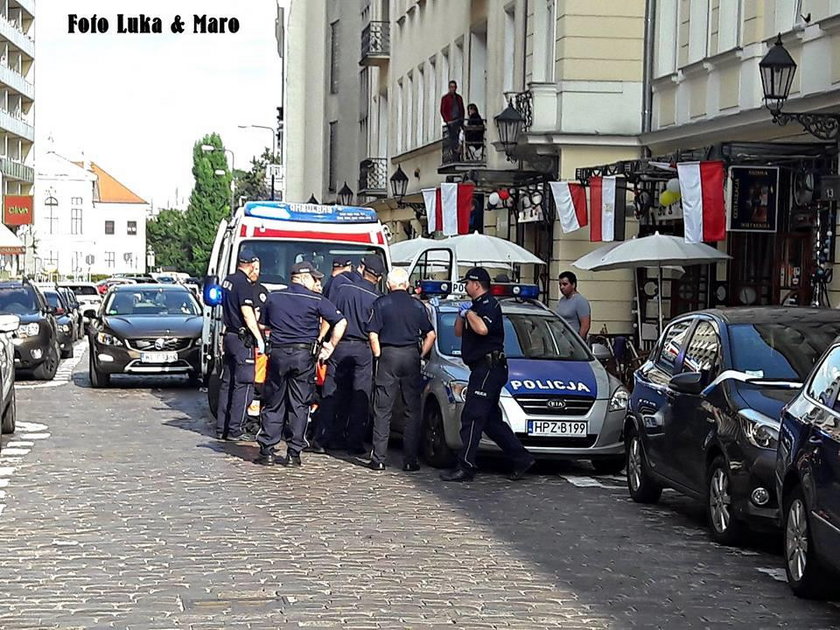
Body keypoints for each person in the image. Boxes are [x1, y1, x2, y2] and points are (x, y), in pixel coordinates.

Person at [440, 267, 534, 482]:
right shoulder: (474, 307)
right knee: (491, 422)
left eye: (467, 283)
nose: (465, 287)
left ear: (476, 284)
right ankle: (521, 457)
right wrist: (461, 315)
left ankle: (466, 466)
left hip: (488, 368)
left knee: (472, 416)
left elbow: (482, 330)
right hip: (481, 368)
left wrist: (470, 313)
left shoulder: (489, 305)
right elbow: (457, 332)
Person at [256, 263, 347, 466]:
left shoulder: (274, 297)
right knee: (299, 403)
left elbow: (262, 324)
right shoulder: (316, 300)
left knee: (274, 401)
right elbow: (341, 322)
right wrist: (329, 346)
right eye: (314, 279)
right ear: (304, 278)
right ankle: (294, 453)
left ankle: (268, 450)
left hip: (279, 353)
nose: (317, 283)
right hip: (304, 355)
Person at [367, 268, 437, 472]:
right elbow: (430, 335)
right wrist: (421, 354)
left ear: (389, 285)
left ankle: (379, 458)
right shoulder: (417, 305)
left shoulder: (381, 303)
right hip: (410, 356)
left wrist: (379, 355)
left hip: (388, 355)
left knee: (383, 409)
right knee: (412, 410)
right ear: (406, 284)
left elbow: (372, 334)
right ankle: (410, 460)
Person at [317, 255, 384, 455]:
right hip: (363, 349)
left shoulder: (343, 289)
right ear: (379, 278)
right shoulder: (378, 299)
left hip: (341, 344)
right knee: (359, 397)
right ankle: (354, 442)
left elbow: (331, 317)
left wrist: (323, 340)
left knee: (332, 392)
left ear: (363, 269)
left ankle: (323, 438)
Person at [215, 248, 264, 442]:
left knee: (227, 382)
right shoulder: (243, 284)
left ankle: (222, 427)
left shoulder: (228, 280)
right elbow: (247, 313)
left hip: (229, 335)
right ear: (251, 265)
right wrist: (258, 337)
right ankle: (236, 428)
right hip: (242, 338)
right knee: (244, 384)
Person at [556, 271, 591, 339]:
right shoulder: (562, 300)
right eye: (560, 284)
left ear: (573, 285)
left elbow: (585, 325)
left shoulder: (580, 301)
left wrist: (578, 343)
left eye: (565, 284)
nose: (562, 287)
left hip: (572, 342)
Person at [440, 80, 465, 154]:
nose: (452, 89)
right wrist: (447, 120)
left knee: (459, 137)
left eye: (454, 87)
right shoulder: (445, 98)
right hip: (450, 121)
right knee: (452, 138)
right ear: (449, 88)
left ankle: (458, 152)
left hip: (458, 120)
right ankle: (454, 152)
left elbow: (462, 109)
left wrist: (462, 119)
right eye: (451, 87)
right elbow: (442, 110)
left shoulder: (459, 98)